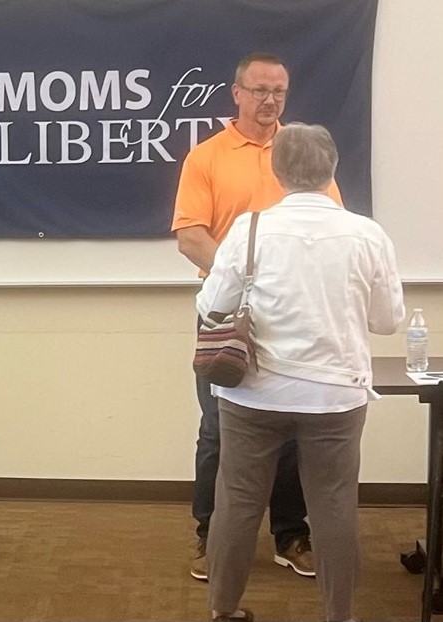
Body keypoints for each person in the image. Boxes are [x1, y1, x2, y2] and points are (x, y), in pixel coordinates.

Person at [197, 122, 405, 622]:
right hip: (335, 397)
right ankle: (339, 615)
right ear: (332, 169)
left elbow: (211, 307)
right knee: (334, 505)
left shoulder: (249, 229)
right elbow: (387, 321)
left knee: (238, 501)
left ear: (278, 171)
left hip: (253, 394)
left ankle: (223, 610)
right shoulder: (367, 234)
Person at [172, 52, 343, 581]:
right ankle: (210, 535)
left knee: (291, 425)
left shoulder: (304, 154)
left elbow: (333, 229)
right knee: (218, 427)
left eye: (279, 92)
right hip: (225, 315)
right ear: (237, 94)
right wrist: (247, 282)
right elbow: (190, 236)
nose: (271, 101)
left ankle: (291, 535)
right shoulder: (206, 157)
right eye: (260, 90)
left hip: (293, 317)